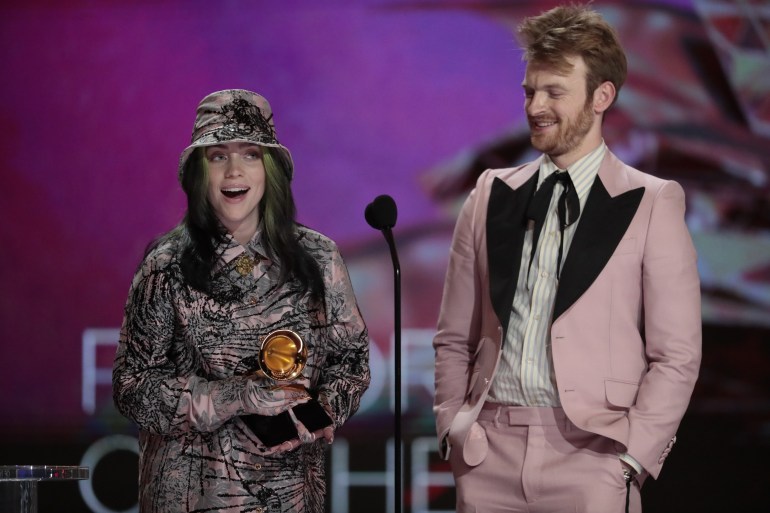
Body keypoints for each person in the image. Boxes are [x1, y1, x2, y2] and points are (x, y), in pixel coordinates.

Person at [432, 5, 701, 512]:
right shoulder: (491, 193)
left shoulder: (651, 201)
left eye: (555, 92)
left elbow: (677, 355)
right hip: (489, 453)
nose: (537, 106)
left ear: (602, 96)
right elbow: (453, 336)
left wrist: (631, 458)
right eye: (531, 91)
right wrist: (453, 427)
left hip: (593, 459)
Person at [113, 89, 370, 513]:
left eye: (250, 154)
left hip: (290, 497)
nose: (234, 170)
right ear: (200, 171)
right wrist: (236, 395)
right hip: (187, 498)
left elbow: (352, 363)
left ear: (269, 168)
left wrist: (317, 415)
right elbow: (132, 388)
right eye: (218, 156)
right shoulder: (165, 265)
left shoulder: (319, 258)